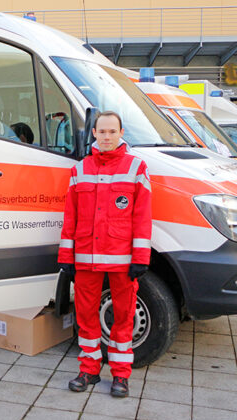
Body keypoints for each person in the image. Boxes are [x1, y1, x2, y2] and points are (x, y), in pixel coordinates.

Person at [58, 111, 152, 398]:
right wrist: (66, 255)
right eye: (102, 132)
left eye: (112, 131)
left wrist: (141, 257)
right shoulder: (80, 169)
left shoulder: (137, 167)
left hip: (122, 258)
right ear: (94, 134)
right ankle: (89, 370)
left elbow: (143, 215)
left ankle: (121, 375)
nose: (107, 137)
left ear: (121, 133)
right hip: (86, 256)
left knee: (123, 316)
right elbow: (70, 215)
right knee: (86, 317)